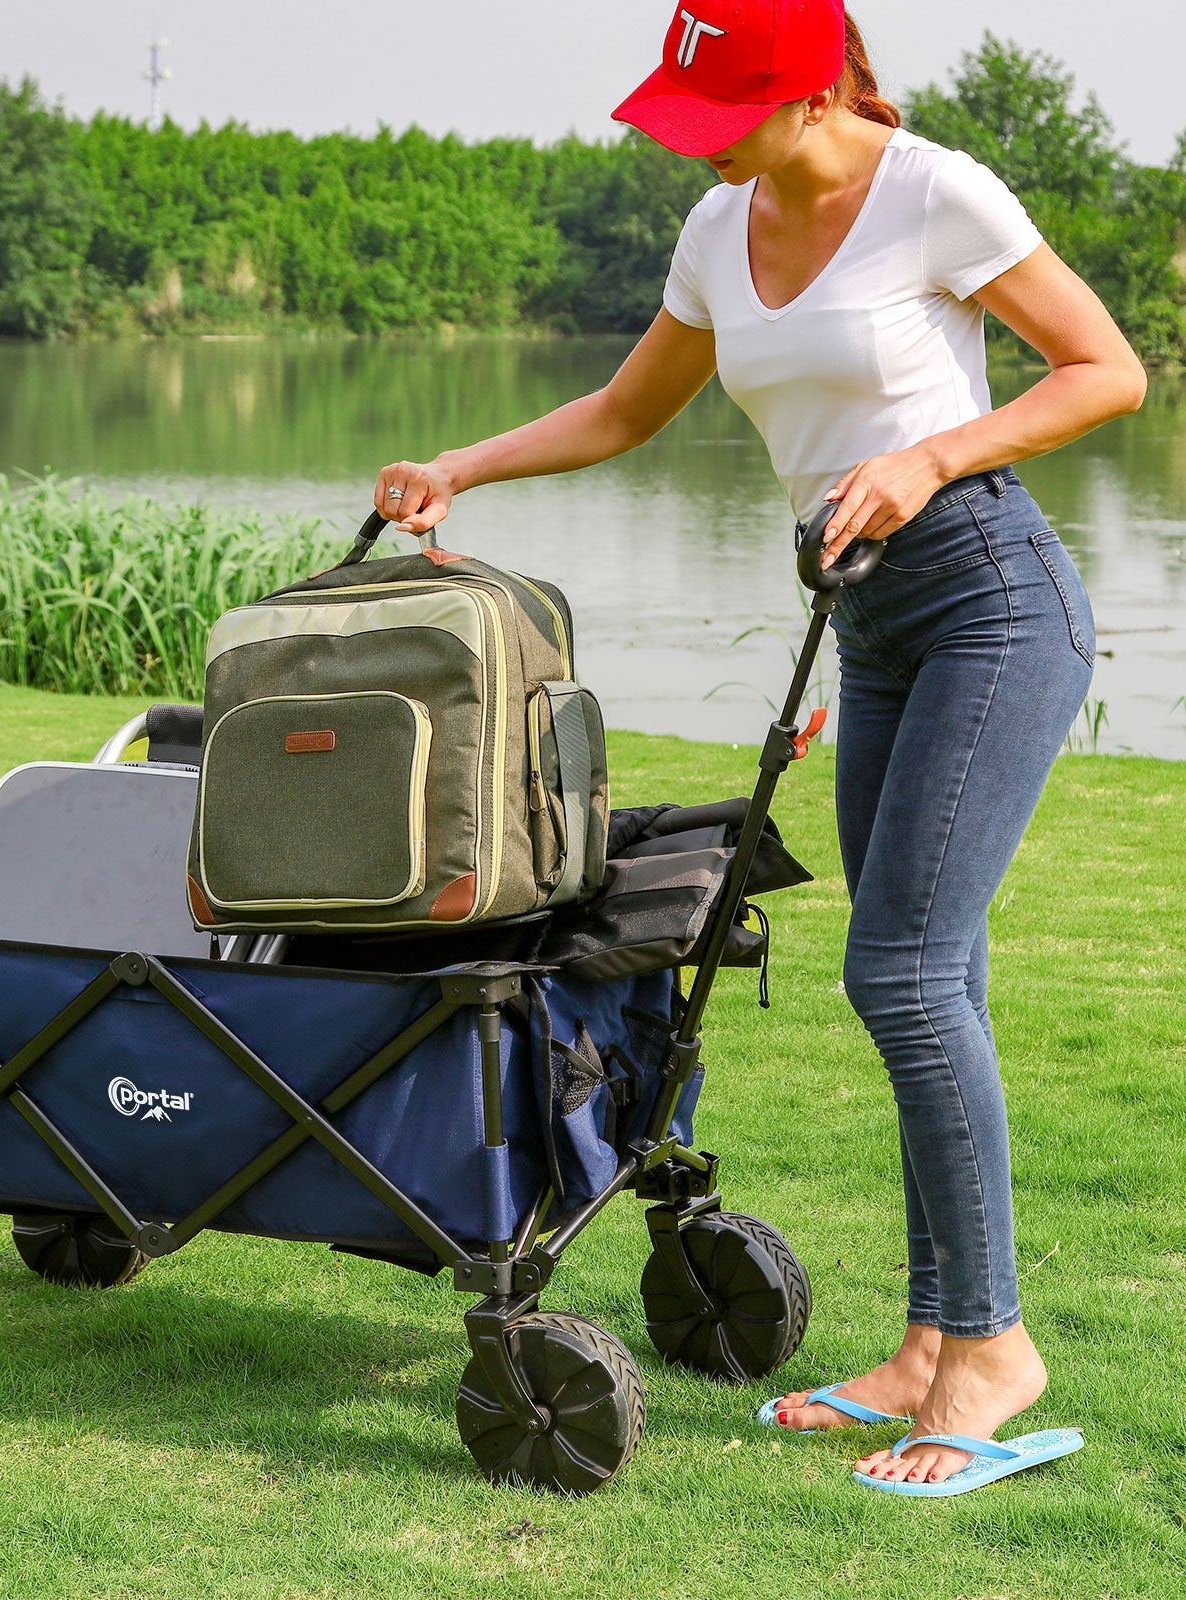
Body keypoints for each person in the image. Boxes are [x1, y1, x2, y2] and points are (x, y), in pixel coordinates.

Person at [374, 0, 1145, 1495]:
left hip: (991, 594)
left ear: (800, 91)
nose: (695, 135)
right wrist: (459, 466)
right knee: (942, 973)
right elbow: (624, 409)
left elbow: (1106, 370)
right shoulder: (718, 229)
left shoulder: (936, 189)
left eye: (714, 104)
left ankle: (996, 1349)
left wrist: (928, 453)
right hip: (873, 624)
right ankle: (931, 1344)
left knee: (904, 973)